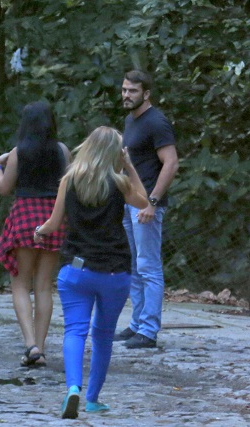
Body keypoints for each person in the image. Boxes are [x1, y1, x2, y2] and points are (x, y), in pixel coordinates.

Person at [34, 126, 148, 418]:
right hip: (114, 273)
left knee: (75, 330)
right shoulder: (120, 183)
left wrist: (39, 231)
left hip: (76, 271)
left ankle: (73, 388)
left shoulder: (69, 180)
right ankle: (93, 398)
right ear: (114, 153)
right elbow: (144, 202)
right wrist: (130, 166)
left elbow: (53, 222)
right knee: (103, 335)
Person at [0, 101, 70, 367]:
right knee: (44, 286)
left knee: (20, 283)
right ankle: (42, 347)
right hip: (53, 217)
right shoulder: (62, 151)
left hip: (25, 215)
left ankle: (30, 345)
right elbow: (68, 186)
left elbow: (4, 188)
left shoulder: (18, 152)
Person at [114, 70, 179, 349]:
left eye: (133, 91)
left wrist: (152, 202)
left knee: (149, 266)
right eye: (125, 90)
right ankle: (137, 324)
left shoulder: (157, 122)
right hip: (130, 204)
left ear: (146, 94)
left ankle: (149, 331)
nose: (127, 95)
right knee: (134, 266)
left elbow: (171, 163)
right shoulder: (131, 120)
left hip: (147, 205)